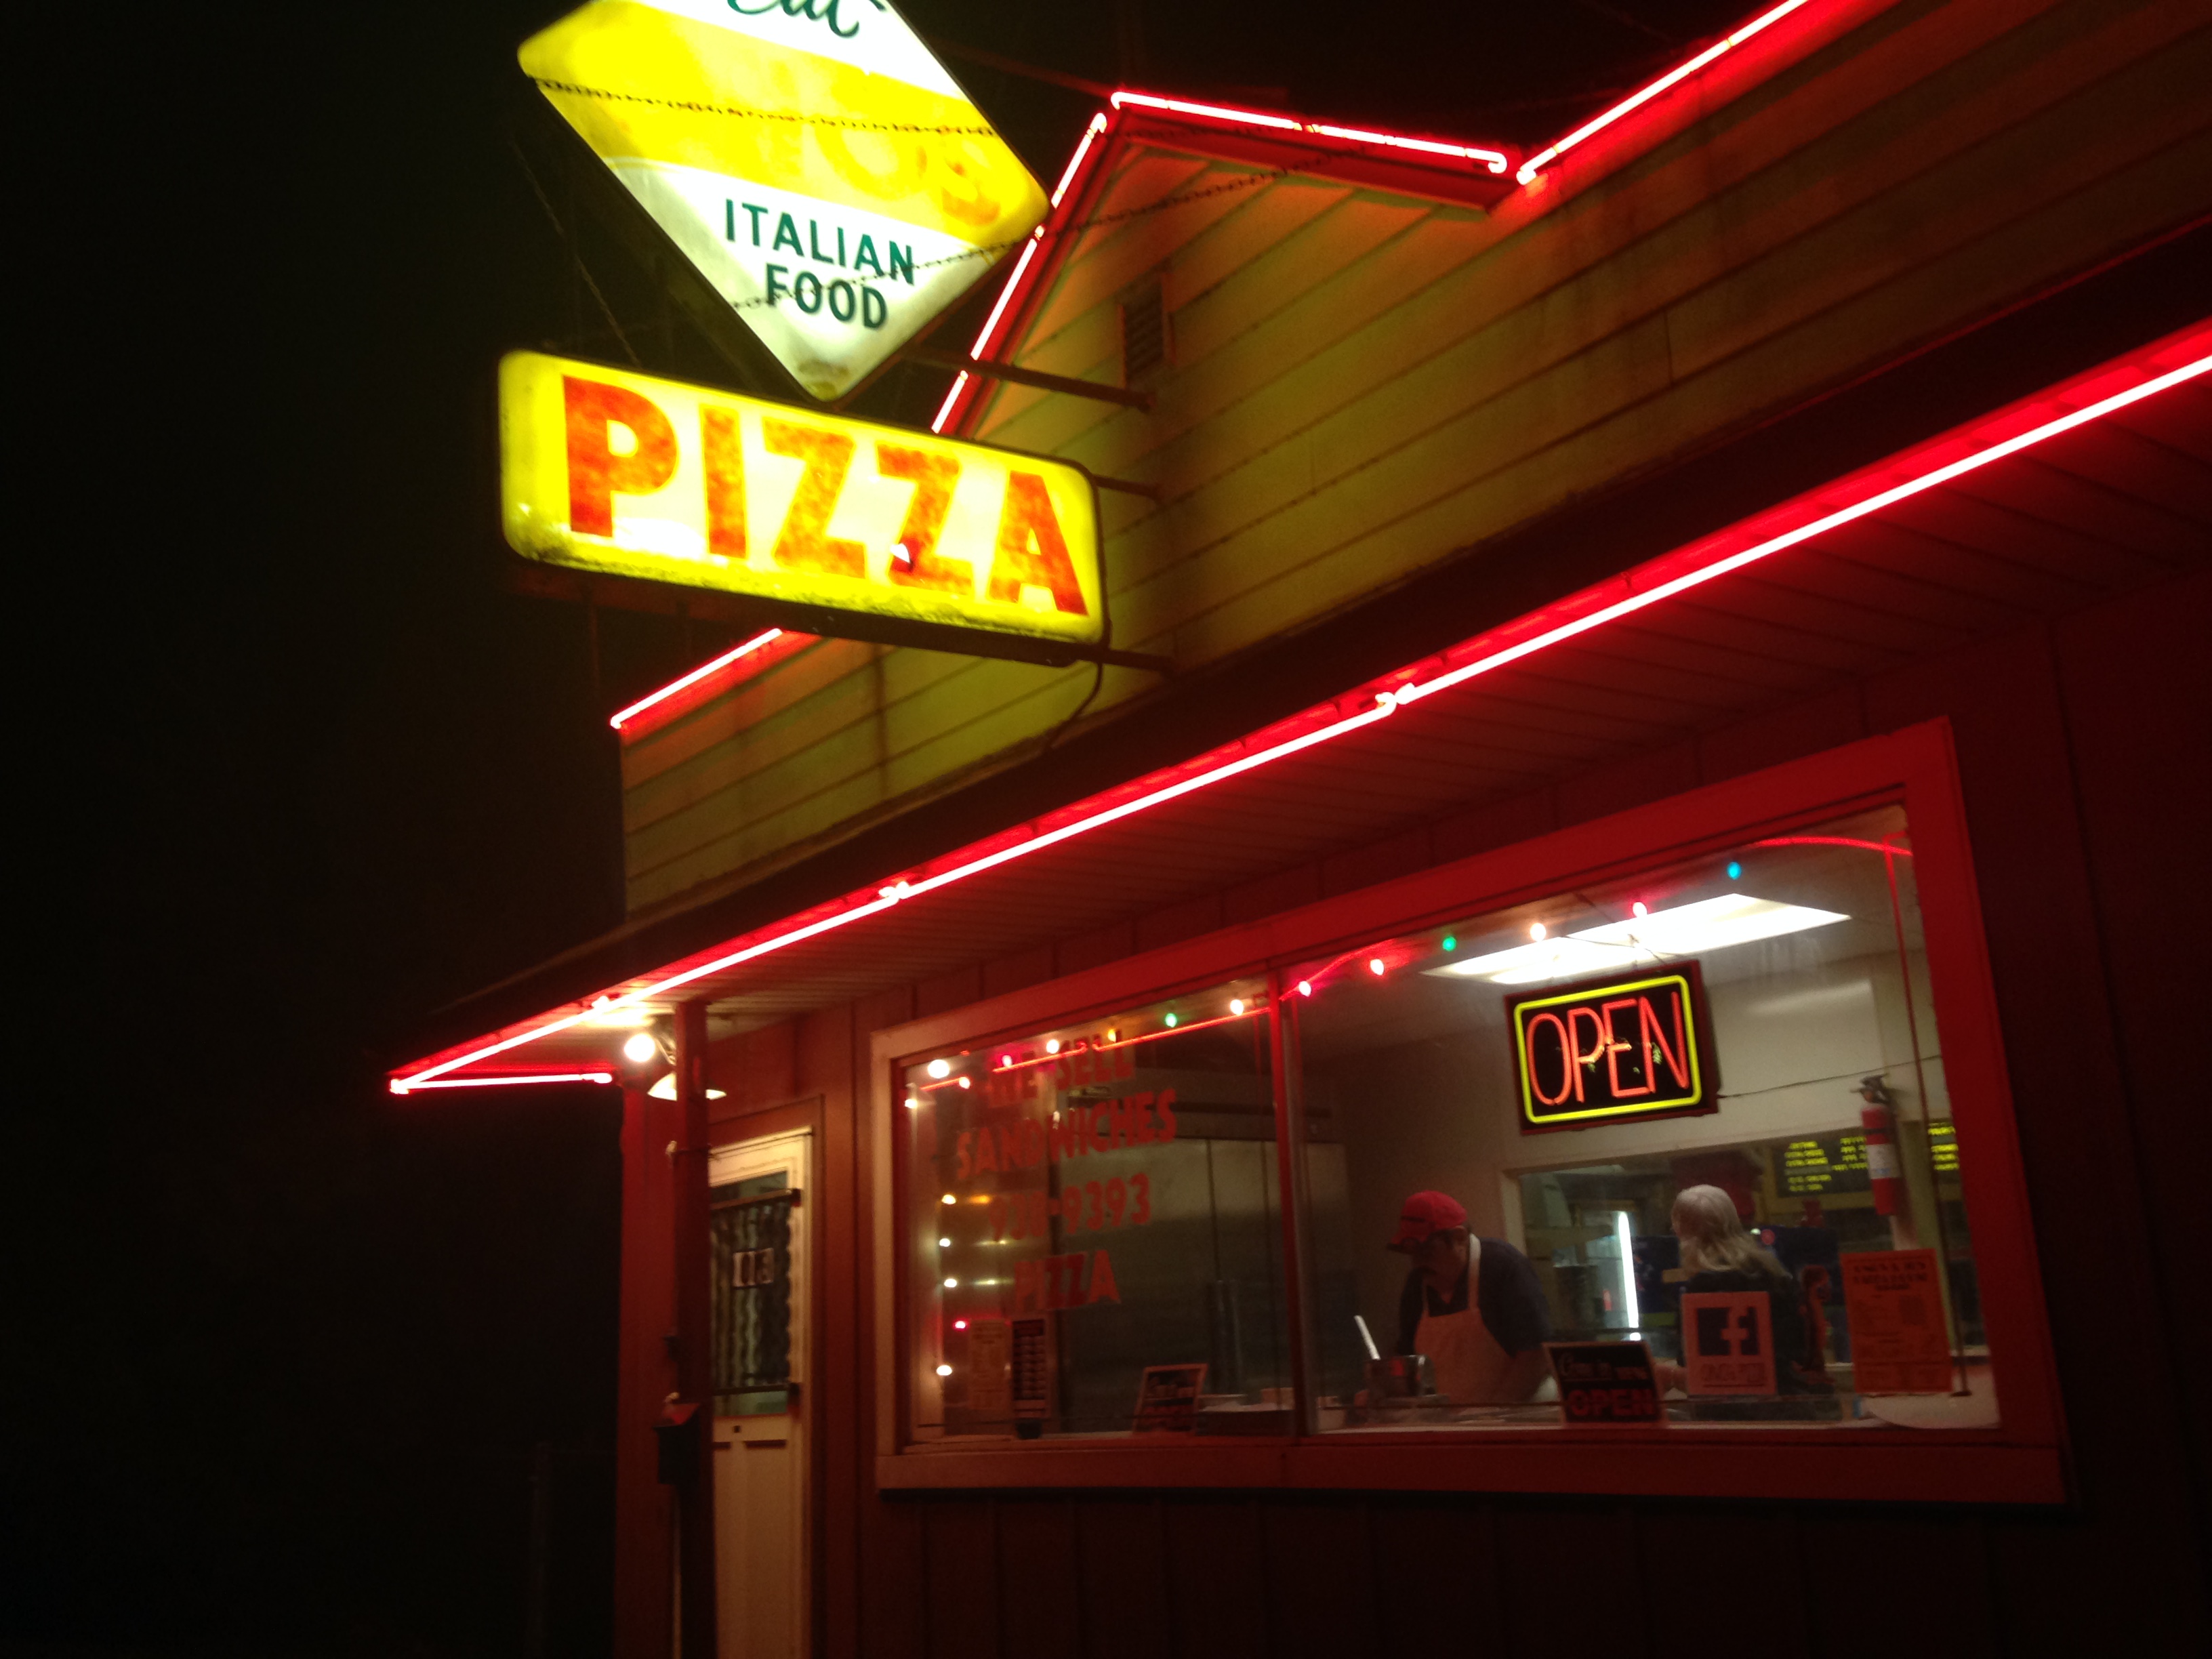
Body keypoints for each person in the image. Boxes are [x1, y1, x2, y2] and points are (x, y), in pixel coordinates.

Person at [1656, 1184, 1824, 1394]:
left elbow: (1708, 1372)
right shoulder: (1772, 1272)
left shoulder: (1703, 1286)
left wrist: (1669, 1376)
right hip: (1789, 1403)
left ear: (1681, 1229)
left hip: (1737, 1415)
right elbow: (1794, 1350)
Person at [1389, 1191, 1551, 1404]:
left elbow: (1534, 1354)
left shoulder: (1503, 1266)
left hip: (1517, 1415)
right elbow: (1407, 1358)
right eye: (1411, 1253)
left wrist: (1492, 1418)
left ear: (1459, 1238)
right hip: (1449, 1423)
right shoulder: (1416, 1284)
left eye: (1426, 1250)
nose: (1417, 1263)